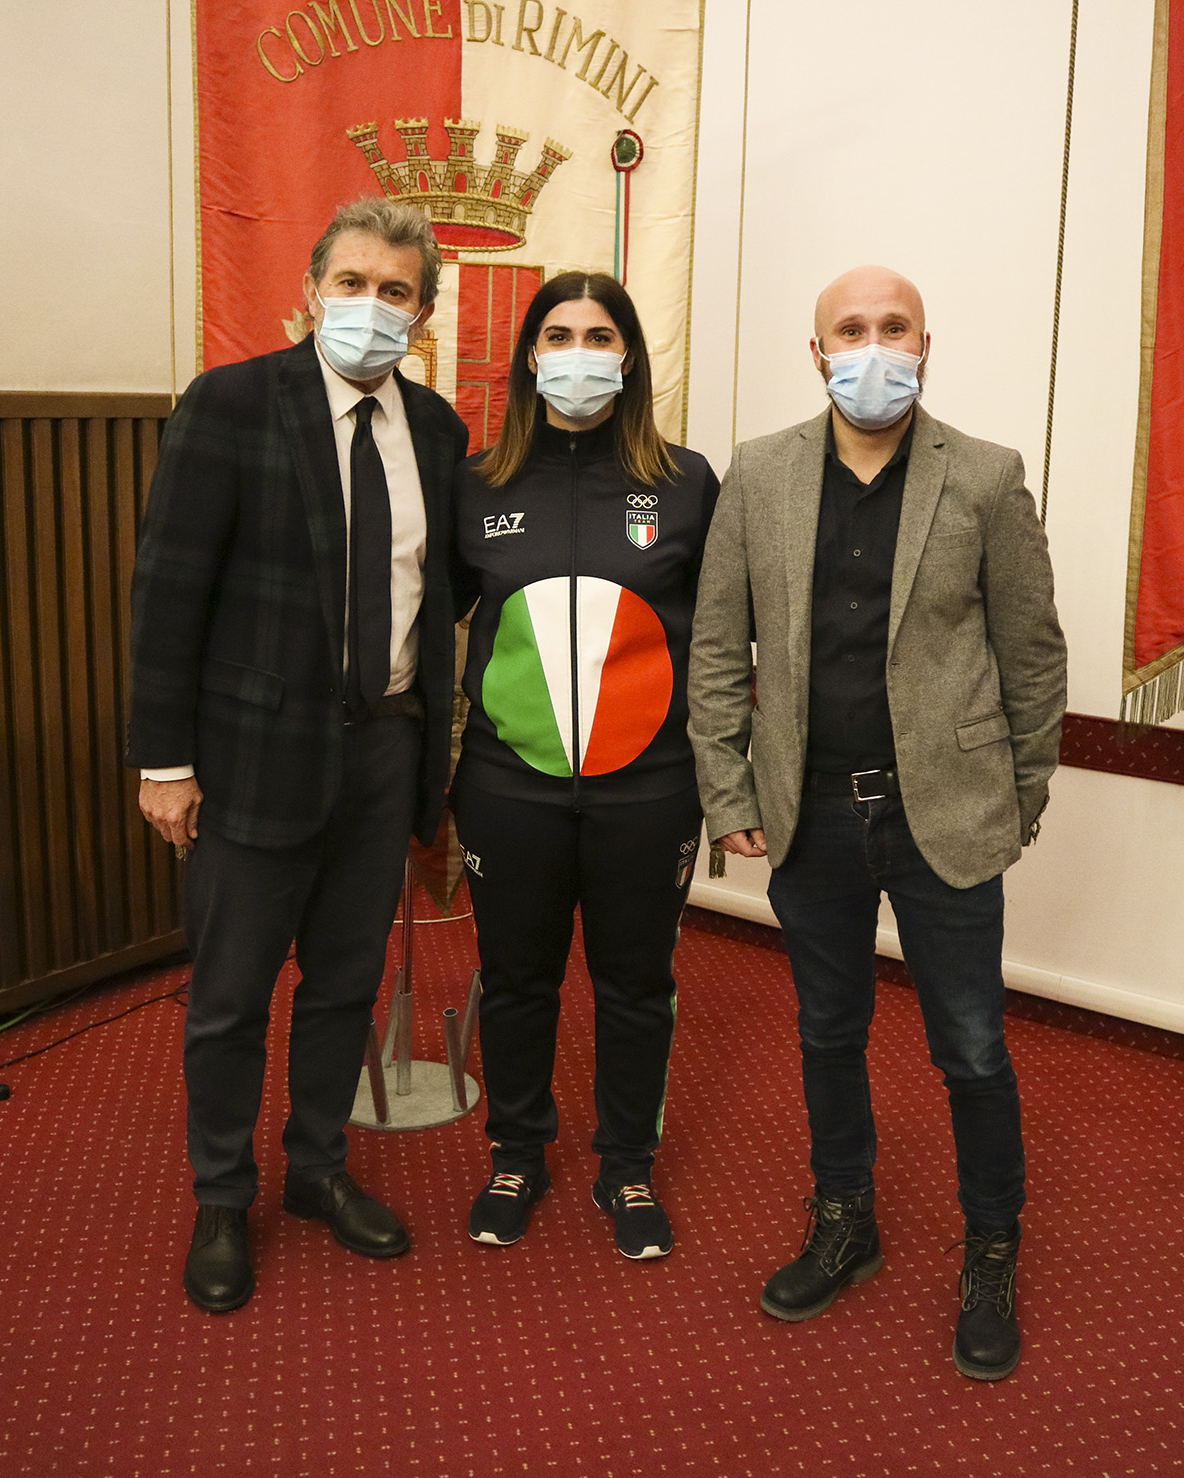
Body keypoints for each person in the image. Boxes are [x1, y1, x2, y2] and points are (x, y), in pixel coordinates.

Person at [687, 265, 1066, 1378]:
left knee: (971, 1046)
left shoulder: (985, 476)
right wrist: (729, 793)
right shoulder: (758, 474)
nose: (871, 347)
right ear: (816, 354)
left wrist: (1019, 798)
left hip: (945, 810)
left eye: (892, 327)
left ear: (924, 345)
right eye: (848, 330)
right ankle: (844, 1218)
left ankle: (990, 1246)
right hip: (810, 813)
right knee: (827, 1031)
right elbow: (718, 648)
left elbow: (1032, 652)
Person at [127, 198, 469, 1313]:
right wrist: (163, 760)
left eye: (395, 290)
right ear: (312, 289)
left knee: (343, 984)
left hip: (385, 751)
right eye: (352, 282)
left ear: (422, 313)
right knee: (230, 997)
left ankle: (318, 1166)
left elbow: (438, 595)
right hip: (252, 760)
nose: (371, 305)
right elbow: (167, 591)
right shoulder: (231, 403)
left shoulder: (438, 431)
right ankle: (223, 1196)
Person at [450, 271, 719, 1259]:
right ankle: (516, 1153)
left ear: (629, 356)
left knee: (634, 985)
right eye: (558, 335)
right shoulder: (477, 484)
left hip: (648, 789)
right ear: (530, 357)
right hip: (506, 786)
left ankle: (626, 1164)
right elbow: (426, 621)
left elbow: (721, 640)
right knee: (515, 982)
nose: (578, 354)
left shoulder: (687, 482)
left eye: (599, 336)